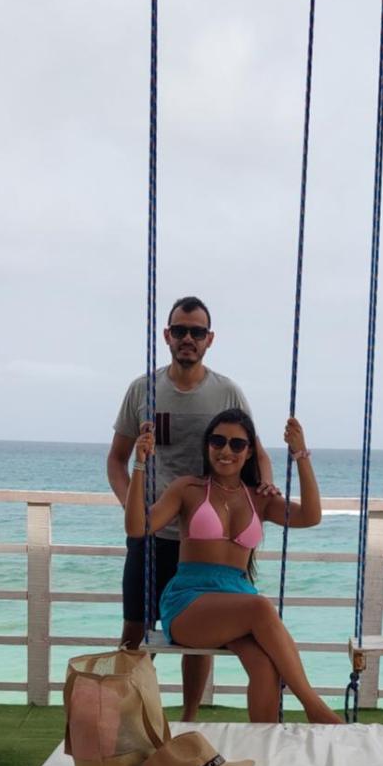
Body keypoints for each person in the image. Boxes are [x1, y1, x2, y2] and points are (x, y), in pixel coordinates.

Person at [108, 297, 275, 721]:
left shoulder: (226, 392)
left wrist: (264, 489)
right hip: (156, 533)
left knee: (198, 642)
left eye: (196, 332)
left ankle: (189, 717)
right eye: (180, 330)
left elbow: (254, 451)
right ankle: (123, 719)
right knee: (135, 628)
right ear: (167, 335)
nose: (188, 338)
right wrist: (134, 509)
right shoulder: (142, 390)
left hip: (205, 538)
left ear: (209, 339)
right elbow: (116, 460)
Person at [125, 407, 341, 725]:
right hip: (189, 602)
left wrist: (300, 454)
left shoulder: (259, 498)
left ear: (249, 451)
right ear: (207, 445)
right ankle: (314, 707)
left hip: (237, 603)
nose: (226, 451)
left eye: (237, 444)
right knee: (261, 607)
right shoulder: (188, 489)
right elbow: (137, 527)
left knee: (265, 667)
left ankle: (265, 744)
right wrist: (140, 464)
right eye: (218, 441)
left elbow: (311, 516)